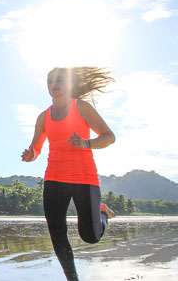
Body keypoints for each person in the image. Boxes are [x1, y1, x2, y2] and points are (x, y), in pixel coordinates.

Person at [21, 67, 117, 281]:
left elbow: (109, 136)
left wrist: (86, 143)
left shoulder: (81, 107)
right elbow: (36, 147)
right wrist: (31, 154)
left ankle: (101, 212)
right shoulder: (43, 116)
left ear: (70, 84)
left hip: (84, 177)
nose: (53, 85)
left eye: (59, 80)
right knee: (57, 234)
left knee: (90, 236)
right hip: (54, 178)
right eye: (49, 81)